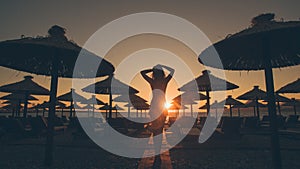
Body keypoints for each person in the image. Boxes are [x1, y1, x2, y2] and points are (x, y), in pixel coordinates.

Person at [140, 64, 174, 166]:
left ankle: (157, 154)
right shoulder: (164, 81)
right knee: (160, 131)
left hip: (155, 107)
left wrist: (151, 69)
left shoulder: (153, 81)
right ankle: (157, 153)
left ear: (154, 73)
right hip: (162, 108)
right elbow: (172, 70)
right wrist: (163, 66)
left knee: (156, 132)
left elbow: (142, 73)